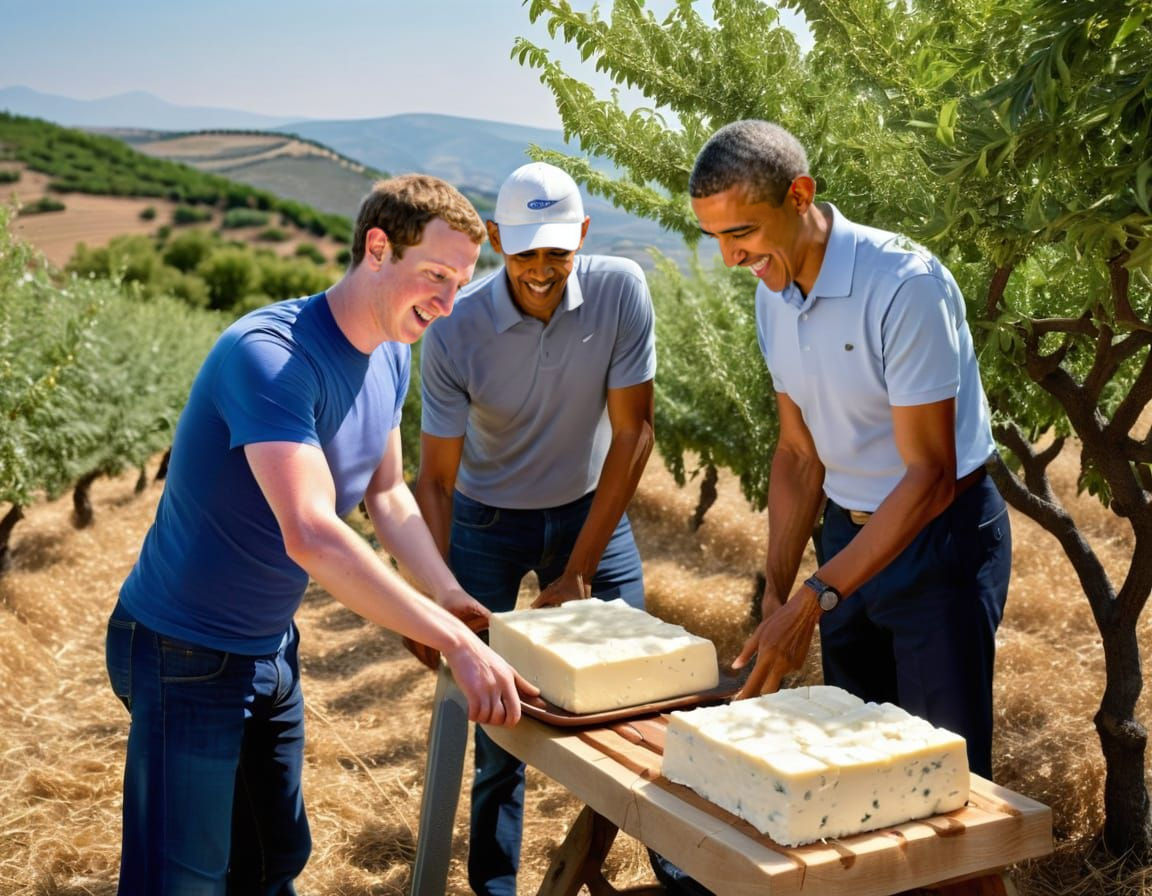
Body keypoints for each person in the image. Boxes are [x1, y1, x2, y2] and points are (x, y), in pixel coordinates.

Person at [104, 174, 537, 896]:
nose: (447, 302)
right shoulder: (271, 356)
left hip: (270, 645)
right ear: (376, 248)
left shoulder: (395, 350)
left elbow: (388, 492)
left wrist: (449, 595)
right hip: (182, 649)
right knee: (182, 881)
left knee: (275, 861)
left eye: (460, 283)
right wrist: (455, 643)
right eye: (435, 275)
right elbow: (310, 531)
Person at [689, 120, 1011, 782]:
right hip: (844, 547)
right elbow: (800, 455)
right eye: (714, 237)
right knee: (855, 773)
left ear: (799, 195)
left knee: (941, 783)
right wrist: (781, 590)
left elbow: (930, 479)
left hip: (937, 548)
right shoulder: (771, 294)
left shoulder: (903, 284)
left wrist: (814, 598)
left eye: (741, 233)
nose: (730, 258)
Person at [413, 162, 656, 895]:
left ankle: (669, 868)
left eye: (558, 250)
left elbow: (635, 434)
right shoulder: (456, 329)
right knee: (496, 717)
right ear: (494, 240)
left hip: (589, 514)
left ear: (583, 235)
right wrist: (433, 595)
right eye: (525, 253)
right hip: (487, 520)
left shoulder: (620, 291)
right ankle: (496, 884)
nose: (542, 269)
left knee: (640, 695)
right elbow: (436, 481)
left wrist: (580, 566)